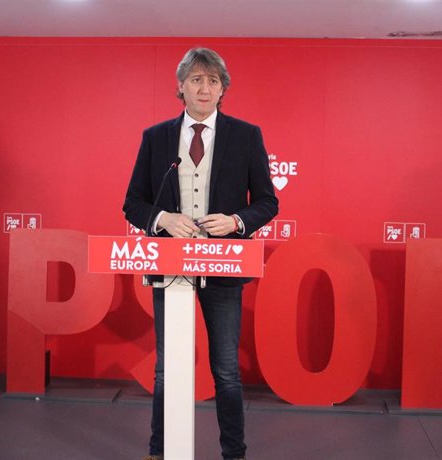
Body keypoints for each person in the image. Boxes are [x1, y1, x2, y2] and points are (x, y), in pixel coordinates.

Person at [122, 47, 278, 460]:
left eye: (212, 80)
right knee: (166, 369)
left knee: (226, 370)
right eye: (195, 79)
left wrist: (235, 222)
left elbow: (267, 201)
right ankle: (158, 451)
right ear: (181, 87)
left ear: (223, 89)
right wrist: (162, 220)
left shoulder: (247, 136)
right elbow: (133, 203)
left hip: (224, 266)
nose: (204, 87)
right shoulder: (155, 138)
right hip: (170, 266)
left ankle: (234, 453)